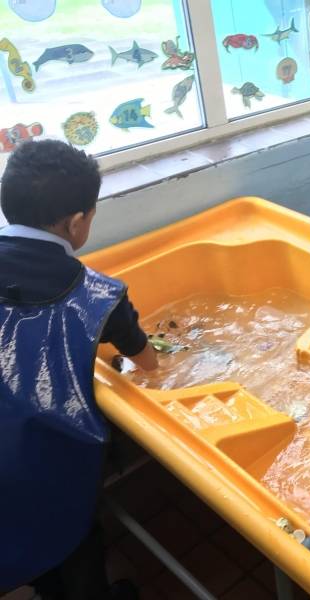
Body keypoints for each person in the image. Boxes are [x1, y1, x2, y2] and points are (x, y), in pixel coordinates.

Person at [0, 140, 158, 599]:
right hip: (42, 473)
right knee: (72, 549)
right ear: (76, 223)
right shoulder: (98, 294)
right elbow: (148, 363)